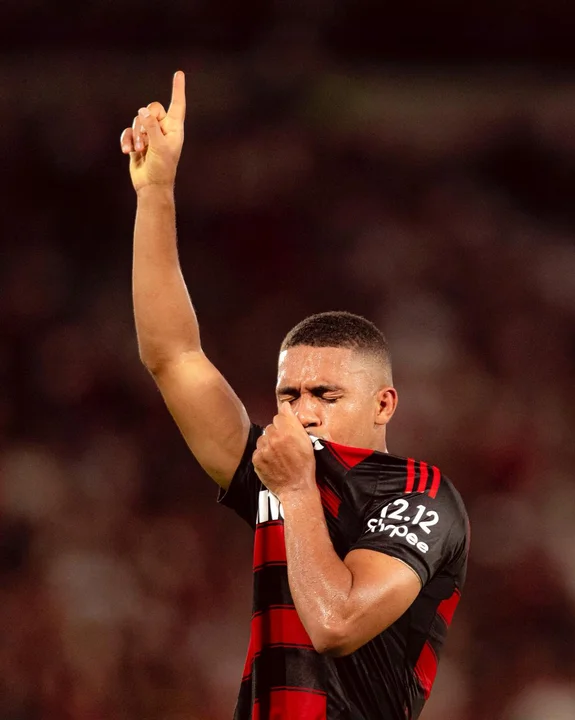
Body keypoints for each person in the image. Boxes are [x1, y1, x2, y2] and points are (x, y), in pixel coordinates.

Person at [120, 71, 469, 720]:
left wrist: (297, 492)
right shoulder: (276, 474)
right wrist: (156, 193)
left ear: (384, 404)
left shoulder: (420, 495)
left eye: (325, 394)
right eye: (289, 395)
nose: (302, 412)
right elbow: (173, 357)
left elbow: (337, 622)